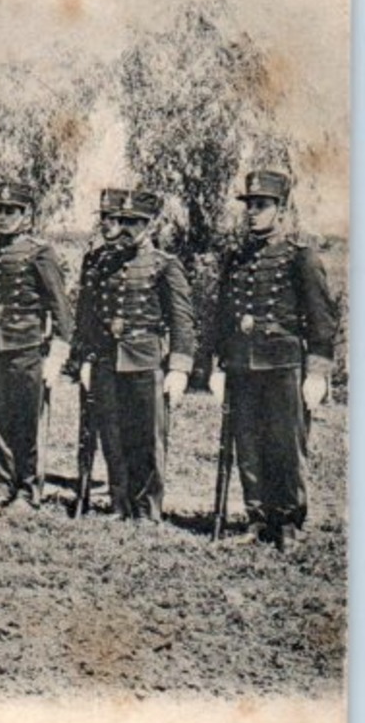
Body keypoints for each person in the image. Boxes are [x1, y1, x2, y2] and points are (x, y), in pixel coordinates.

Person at [204, 170, 337, 550]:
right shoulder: (236, 258)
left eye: (261, 205)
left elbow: (322, 318)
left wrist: (318, 372)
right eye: (249, 205)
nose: (252, 213)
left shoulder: (301, 256)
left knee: (286, 443)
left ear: (281, 209)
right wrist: (217, 363)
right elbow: (223, 315)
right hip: (243, 365)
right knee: (246, 442)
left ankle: (289, 523)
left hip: (284, 363)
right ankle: (257, 519)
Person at [71, 188, 197, 522]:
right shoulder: (102, 262)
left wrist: (179, 367)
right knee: (112, 433)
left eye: (134, 222)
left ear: (151, 225)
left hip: (145, 359)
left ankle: (147, 510)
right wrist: (85, 357)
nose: (125, 228)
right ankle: (119, 504)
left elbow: (182, 320)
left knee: (147, 437)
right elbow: (89, 315)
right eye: (122, 220)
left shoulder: (164, 265)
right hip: (107, 360)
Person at [0, 181, 72, 506]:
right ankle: (3, 487)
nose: (2, 217)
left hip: (25, 348)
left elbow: (60, 307)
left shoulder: (39, 252)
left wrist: (59, 351)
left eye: (9, 211)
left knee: (25, 420)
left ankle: (28, 490)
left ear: (25, 214)